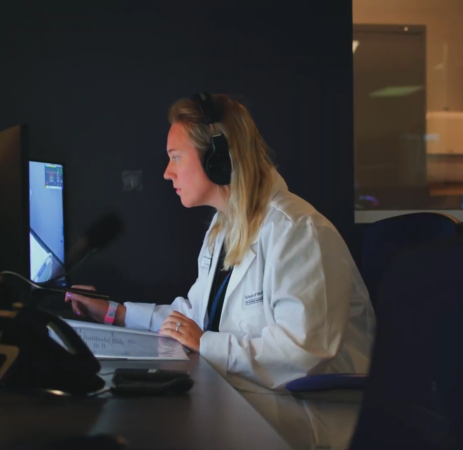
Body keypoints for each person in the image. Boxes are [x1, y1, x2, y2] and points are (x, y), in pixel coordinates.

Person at [65, 93, 375, 449]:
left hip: (307, 417)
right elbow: (192, 319)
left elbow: (304, 355)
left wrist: (206, 343)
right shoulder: (223, 230)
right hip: (248, 397)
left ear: (218, 159)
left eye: (175, 157)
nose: (167, 173)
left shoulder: (298, 231)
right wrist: (115, 314)